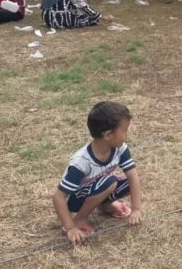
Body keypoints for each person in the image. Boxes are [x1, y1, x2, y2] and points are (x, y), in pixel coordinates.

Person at [53, 101, 143, 246]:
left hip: (98, 187)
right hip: (76, 199)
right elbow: (58, 196)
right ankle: (80, 218)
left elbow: (132, 176)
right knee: (110, 181)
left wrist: (136, 209)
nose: (128, 134)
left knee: (129, 181)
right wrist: (70, 227)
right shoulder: (81, 162)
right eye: (125, 130)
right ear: (108, 135)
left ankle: (105, 205)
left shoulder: (120, 149)